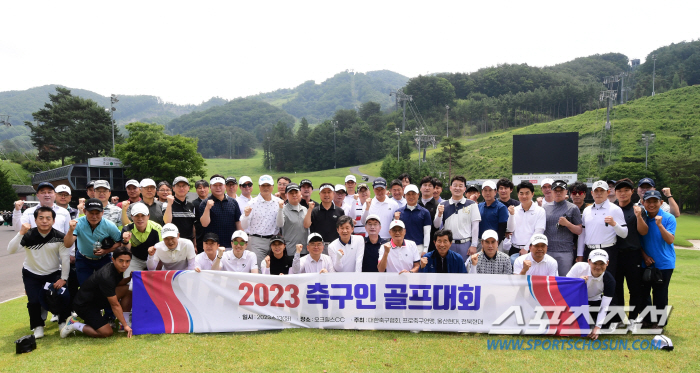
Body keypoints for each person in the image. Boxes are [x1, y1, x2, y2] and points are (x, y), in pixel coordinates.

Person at [8, 207, 71, 339]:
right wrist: (20, 232)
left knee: (62, 296)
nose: (44, 221)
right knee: (34, 301)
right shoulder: (28, 235)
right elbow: (11, 250)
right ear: (35, 220)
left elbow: (65, 259)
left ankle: (62, 321)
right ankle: (38, 327)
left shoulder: (59, 237)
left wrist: (64, 278)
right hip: (31, 273)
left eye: (48, 218)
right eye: (41, 218)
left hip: (53, 273)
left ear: (53, 221)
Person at [60, 247, 133, 339]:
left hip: (98, 299)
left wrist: (130, 277)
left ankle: (122, 324)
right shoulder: (107, 276)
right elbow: (115, 305)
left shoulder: (116, 268)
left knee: (128, 289)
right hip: (84, 305)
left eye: (127, 261)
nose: (124, 264)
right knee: (107, 332)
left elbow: (118, 283)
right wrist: (127, 326)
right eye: (121, 261)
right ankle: (74, 324)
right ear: (113, 259)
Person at [639, 190, 676, 328]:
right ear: (643, 202)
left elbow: (670, 239)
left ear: (661, 202)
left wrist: (659, 225)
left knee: (660, 294)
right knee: (643, 293)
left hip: (664, 263)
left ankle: (659, 323)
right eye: (648, 201)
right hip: (645, 262)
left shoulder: (668, 218)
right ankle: (647, 320)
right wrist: (644, 256)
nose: (652, 204)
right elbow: (638, 241)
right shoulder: (642, 218)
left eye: (655, 201)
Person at [64, 199, 123, 285]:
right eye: (91, 213)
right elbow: (67, 244)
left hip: (104, 259)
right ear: (84, 211)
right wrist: (70, 230)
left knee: (105, 286)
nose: (94, 216)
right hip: (83, 259)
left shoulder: (109, 225)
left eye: (97, 213)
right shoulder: (78, 223)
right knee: (85, 286)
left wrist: (106, 251)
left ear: (102, 212)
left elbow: (119, 242)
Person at [613, 178, 646, 324]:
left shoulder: (637, 209)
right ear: (615, 193)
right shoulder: (611, 208)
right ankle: (619, 318)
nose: (623, 193)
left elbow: (643, 232)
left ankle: (633, 317)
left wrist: (639, 216)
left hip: (632, 254)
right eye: (619, 191)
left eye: (626, 190)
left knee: (634, 287)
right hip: (615, 253)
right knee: (616, 287)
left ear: (632, 192)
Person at [577, 180, 628, 276]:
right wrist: (579, 255)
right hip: (589, 250)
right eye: (596, 191)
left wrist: (614, 224)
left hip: (608, 250)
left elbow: (624, 233)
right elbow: (582, 234)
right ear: (592, 193)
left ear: (608, 192)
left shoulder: (615, 209)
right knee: (590, 282)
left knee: (608, 282)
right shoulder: (587, 210)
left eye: (602, 190)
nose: (599, 193)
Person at [566, 249, 616, 340]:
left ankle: (592, 325)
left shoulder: (610, 280)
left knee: (615, 312)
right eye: (595, 263)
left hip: (594, 302)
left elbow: (604, 306)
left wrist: (598, 327)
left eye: (602, 264)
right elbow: (565, 290)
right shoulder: (578, 267)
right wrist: (577, 282)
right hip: (575, 302)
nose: (598, 267)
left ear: (607, 263)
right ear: (588, 262)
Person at [434, 175, 481, 259]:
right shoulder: (442, 205)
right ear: (450, 188)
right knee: (448, 270)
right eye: (455, 185)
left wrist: (474, 245)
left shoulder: (472, 204)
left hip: (465, 244)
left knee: (465, 270)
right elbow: (436, 225)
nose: (457, 188)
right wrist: (439, 214)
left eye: (460, 186)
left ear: (464, 189)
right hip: (448, 244)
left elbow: (475, 226)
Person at [543, 180, 583, 276]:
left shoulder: (573, 208)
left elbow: (579, 230)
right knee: (548, 281)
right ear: (552, 192)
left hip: (565, 251)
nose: (558, 193)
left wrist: (567, 224)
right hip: (547, 250)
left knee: (564, 280)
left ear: (566, 192)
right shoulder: (544, 208)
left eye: (561, 190)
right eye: (555, 190)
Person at [241, 174, 282, 266]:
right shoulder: (252, 203)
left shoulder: (278, 202)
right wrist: (246, 216)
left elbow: (280, 223)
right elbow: (244, 226)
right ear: (259, 187)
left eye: (268, 185)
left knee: (273, 268)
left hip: (274, 240)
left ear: (273, 187)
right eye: (263, 185)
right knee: (257, 267)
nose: (266, 188)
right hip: (257, 240)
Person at [198, 174, 242, 250]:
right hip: (212, 245)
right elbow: (204, 224)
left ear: (225, 186)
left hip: (230, 245)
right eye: (215, 185)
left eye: (220, 185)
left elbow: (237, 222)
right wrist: (207, 208)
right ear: (210, 187)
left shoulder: (233, 202)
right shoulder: (205, 203)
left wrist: (240, 239)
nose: (218, 188)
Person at [120, 203, 162, 277]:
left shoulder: (157, 228)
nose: (140, 219)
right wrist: (125, 241)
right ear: (131, 217)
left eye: (143, 215)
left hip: (154, 258)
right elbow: (125, 250)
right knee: (128, 280)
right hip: (135, 259)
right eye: (136, 216)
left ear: (148, 216)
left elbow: (162, 249)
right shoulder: (127, 229)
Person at [305, 183, 345, 253]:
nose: (326, 195)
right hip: (317, 247)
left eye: (329, 192)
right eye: (324, 192)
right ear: (319, 194)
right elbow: (306, 225)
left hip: (335, 246)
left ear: (333, 194)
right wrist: (309, 210)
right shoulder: (314, 211)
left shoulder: (340, 211)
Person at [510, 182, 546, 259]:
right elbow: (510, 229)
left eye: (527, 193)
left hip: (532, 250)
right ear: (518, 195)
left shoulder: (540, 211)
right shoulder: (514, 210)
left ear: (532, 194)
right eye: (521, 193)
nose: (524, 196)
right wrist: (511, 215)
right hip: (514, 249)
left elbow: (539, 231)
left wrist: (526, 248)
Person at [395, 184, 431, 255]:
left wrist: (425, 250)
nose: (411, 196)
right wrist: (396, 220)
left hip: (419, 247)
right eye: (408, 194)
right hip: (402, 246)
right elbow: (395, 232)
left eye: (413, 194)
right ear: (404, 195)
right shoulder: (398, 212)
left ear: (418, 195)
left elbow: (427, 232)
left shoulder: (425, 212)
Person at [164, 176, 197, 250]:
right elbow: (167, 222)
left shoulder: (191, 205)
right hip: (172, 244)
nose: (181, 188)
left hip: (188, 244)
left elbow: (193, 227)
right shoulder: (167, 204)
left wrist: (195, 245)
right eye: (178, 186)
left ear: (188, 188)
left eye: (184, 186)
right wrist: (169, 204)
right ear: (173, 188)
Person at [276, 183, 308, 256]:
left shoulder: (305, 209)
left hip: (304, 249)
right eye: (291, 193)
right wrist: (280, 209)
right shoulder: (283, 209)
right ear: (286, 195)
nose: (294, 195)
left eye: (296, 192)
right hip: (290, 249)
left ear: (300, 194)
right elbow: (279, 224)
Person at [478, 180, 510, 248]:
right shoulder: (479, 206)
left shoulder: (501, 207)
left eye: (490, 190)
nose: (487, 193)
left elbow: (502, 228)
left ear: (495, 192)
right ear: (482, 192)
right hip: (481, 242)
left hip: (495, 242)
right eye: (485, 190)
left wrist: (495, 244)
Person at [418, 176, 439, 253]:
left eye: (430, 186)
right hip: (416, 242)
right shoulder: (415, 204)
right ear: (420, 188)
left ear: (434, 189)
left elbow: (437, 226)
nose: (427, 188)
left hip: (432, 244)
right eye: (425, 185)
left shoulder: (438, 206)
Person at [193, 179, 210, 253]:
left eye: (204, 187)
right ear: (196, 190)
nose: (202, 190)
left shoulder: (213, 202)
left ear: (208, 189)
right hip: (200, 237)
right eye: (200, 188)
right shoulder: (193, 204)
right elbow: (193, 224)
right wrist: (195, 243)